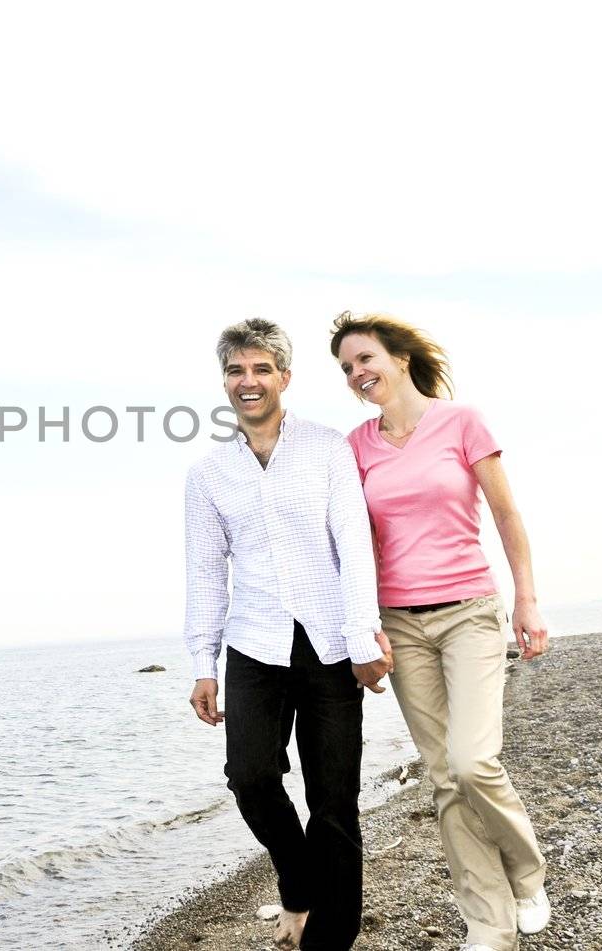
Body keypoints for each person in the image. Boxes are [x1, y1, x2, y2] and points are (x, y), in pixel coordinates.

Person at [330, 312, 551, 951]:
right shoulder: (356, 446)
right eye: (346, 368)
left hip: (468, 611)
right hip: (398, 621)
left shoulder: (462, 422)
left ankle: (526, 873)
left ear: (400, 358)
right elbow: (355, 541)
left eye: (365, 358)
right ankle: (489, 922)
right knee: (443, 777)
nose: (356, 373)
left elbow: (507, 515)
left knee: (473, 761)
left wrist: (526, 601)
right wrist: (361, 629)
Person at [185, 318, 392, 951]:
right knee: (250, 778)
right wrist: (204, 662)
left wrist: (364, 638)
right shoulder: (209, 473)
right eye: (236, 371)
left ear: (284, 377)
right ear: (225, 381)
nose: (248, 382)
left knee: (334, 798)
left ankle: (330, 938)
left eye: (261, 369)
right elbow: (204, 570)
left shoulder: (327, 449)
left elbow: (354, 547)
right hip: (253, 644)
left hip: (329, 642)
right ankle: (298, 884)